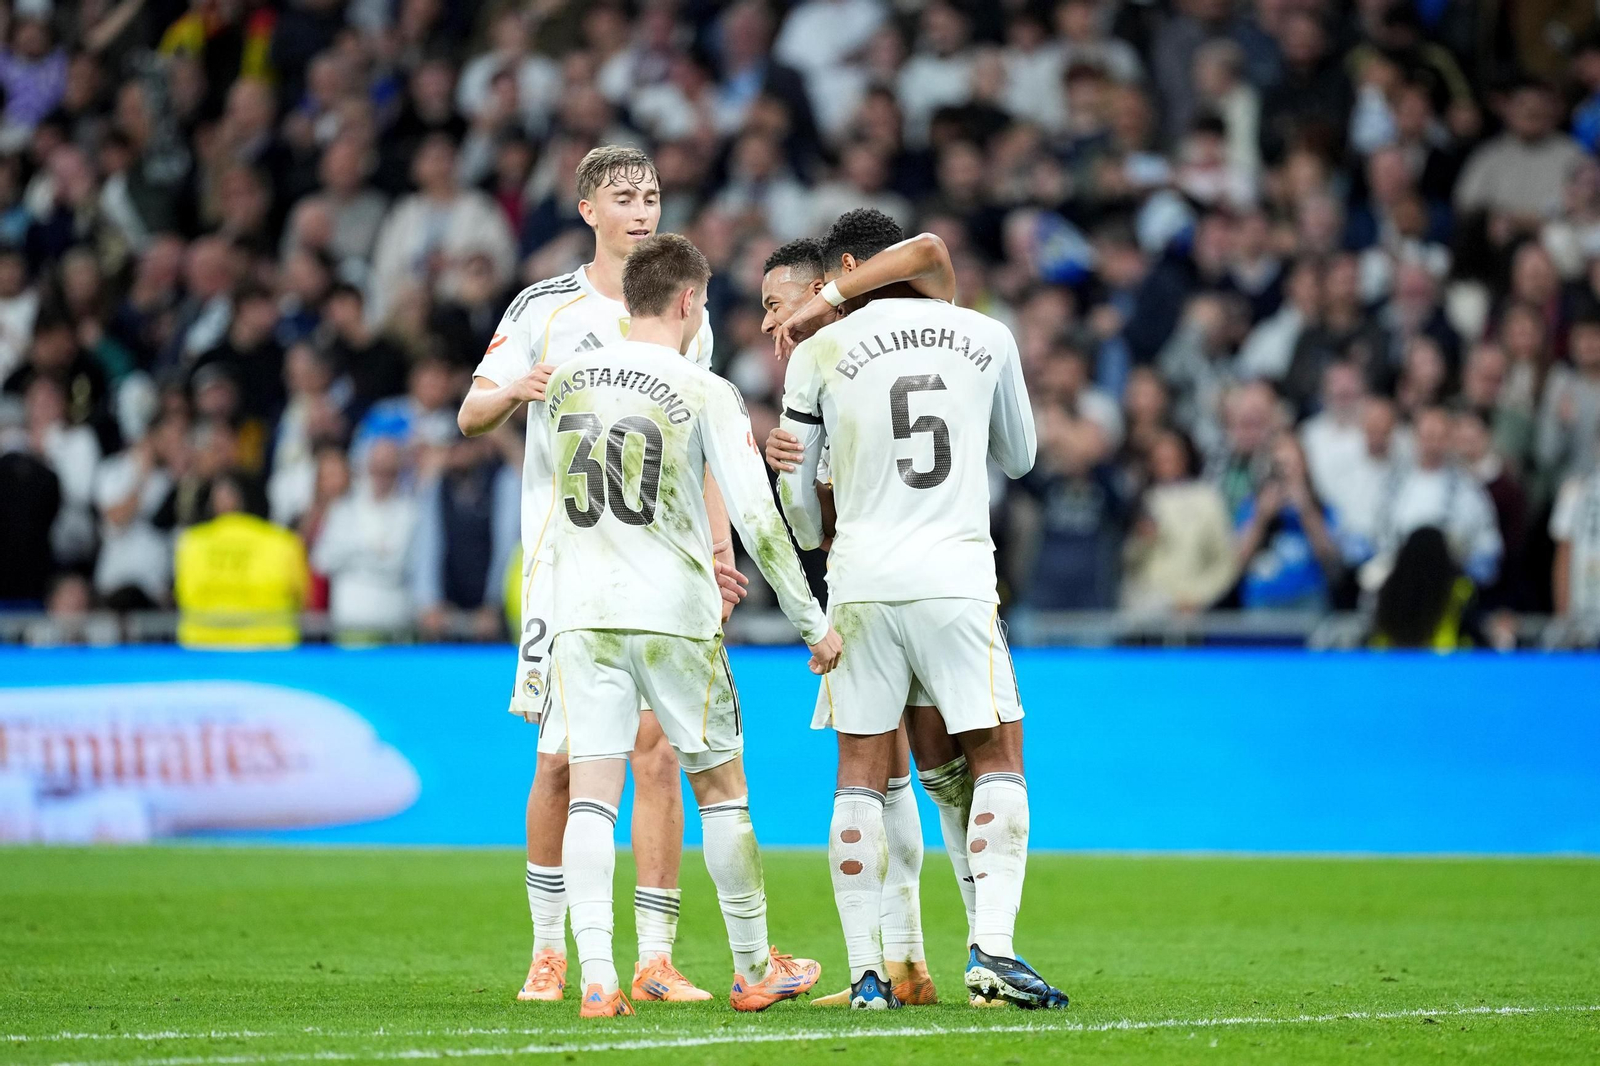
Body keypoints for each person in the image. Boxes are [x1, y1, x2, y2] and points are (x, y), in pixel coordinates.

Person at [456, 146, 736, 1005]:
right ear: (587, 210)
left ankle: (654, 959)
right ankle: (549, 952)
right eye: (625, 197)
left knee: (658, 753)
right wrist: (517, 392)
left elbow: (708, 443)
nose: (643, 210)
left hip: (662, 563)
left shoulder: (686, 308)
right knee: (563, 760)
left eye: (651, 195)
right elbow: (470, 413)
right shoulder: (546, 306)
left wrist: (720, 553)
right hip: (566, 563)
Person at [539, 233, 837, 1017]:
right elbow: (759, 522)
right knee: (723, 792)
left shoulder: (565, 381)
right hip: (671, 615)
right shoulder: (703, 388)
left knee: (592, 801)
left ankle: (598, 977)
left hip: (582, 613)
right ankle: (751, 968)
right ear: (687, 302)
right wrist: (812, 622)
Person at [775, 208, 1065, 1010]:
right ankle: (994, 951)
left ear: (847, 268)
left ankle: (868, 972)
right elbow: (1022, 455)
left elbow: (795, 500)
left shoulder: (818, 350)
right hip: (955, 577)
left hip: (861, 582)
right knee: (998, 756)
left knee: (860, 774)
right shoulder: (986, 335)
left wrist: (820, 531)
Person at [759, 228, 979, 1007]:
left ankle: (909, 962)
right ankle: (911, 962)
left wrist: (801, 489)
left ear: (832, 283)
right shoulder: (827, 376)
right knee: (899, 774)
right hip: (927, 579)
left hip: (883, 587)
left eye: (775, 303)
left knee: (898, 773)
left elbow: (926, 250)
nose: (768, 324)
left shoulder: (855, 347)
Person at [173, 473, 308, 649]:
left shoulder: (190, 542)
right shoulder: (283, 542)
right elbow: (305, 600)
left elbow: (180, 594)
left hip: (203, 651)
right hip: (270, 652)